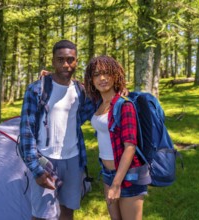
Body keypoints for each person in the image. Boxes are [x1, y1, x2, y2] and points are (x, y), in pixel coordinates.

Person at [19, 40, 95, 220]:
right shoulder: (37, 89)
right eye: (60, 60)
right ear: (53, 61)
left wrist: (119, 89)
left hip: (73, 160)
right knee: (41, 214)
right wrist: (36, 169)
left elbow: (96, 106)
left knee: (68, 212)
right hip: (45, 160)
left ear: (76, 61)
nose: (65, 65)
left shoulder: (80, 91)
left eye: (70, 60)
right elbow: (26, 132)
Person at [84, 55, 148, 220]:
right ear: (91, 79)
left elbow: (130, 147)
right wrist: (50, 75)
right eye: (97, 74)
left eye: (107, 73)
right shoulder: (98, 103)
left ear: (115, 75)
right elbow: (73, 85)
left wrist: (116, 184)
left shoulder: (124, 105)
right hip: (107, 173)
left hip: (128, 175)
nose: (102, 78)